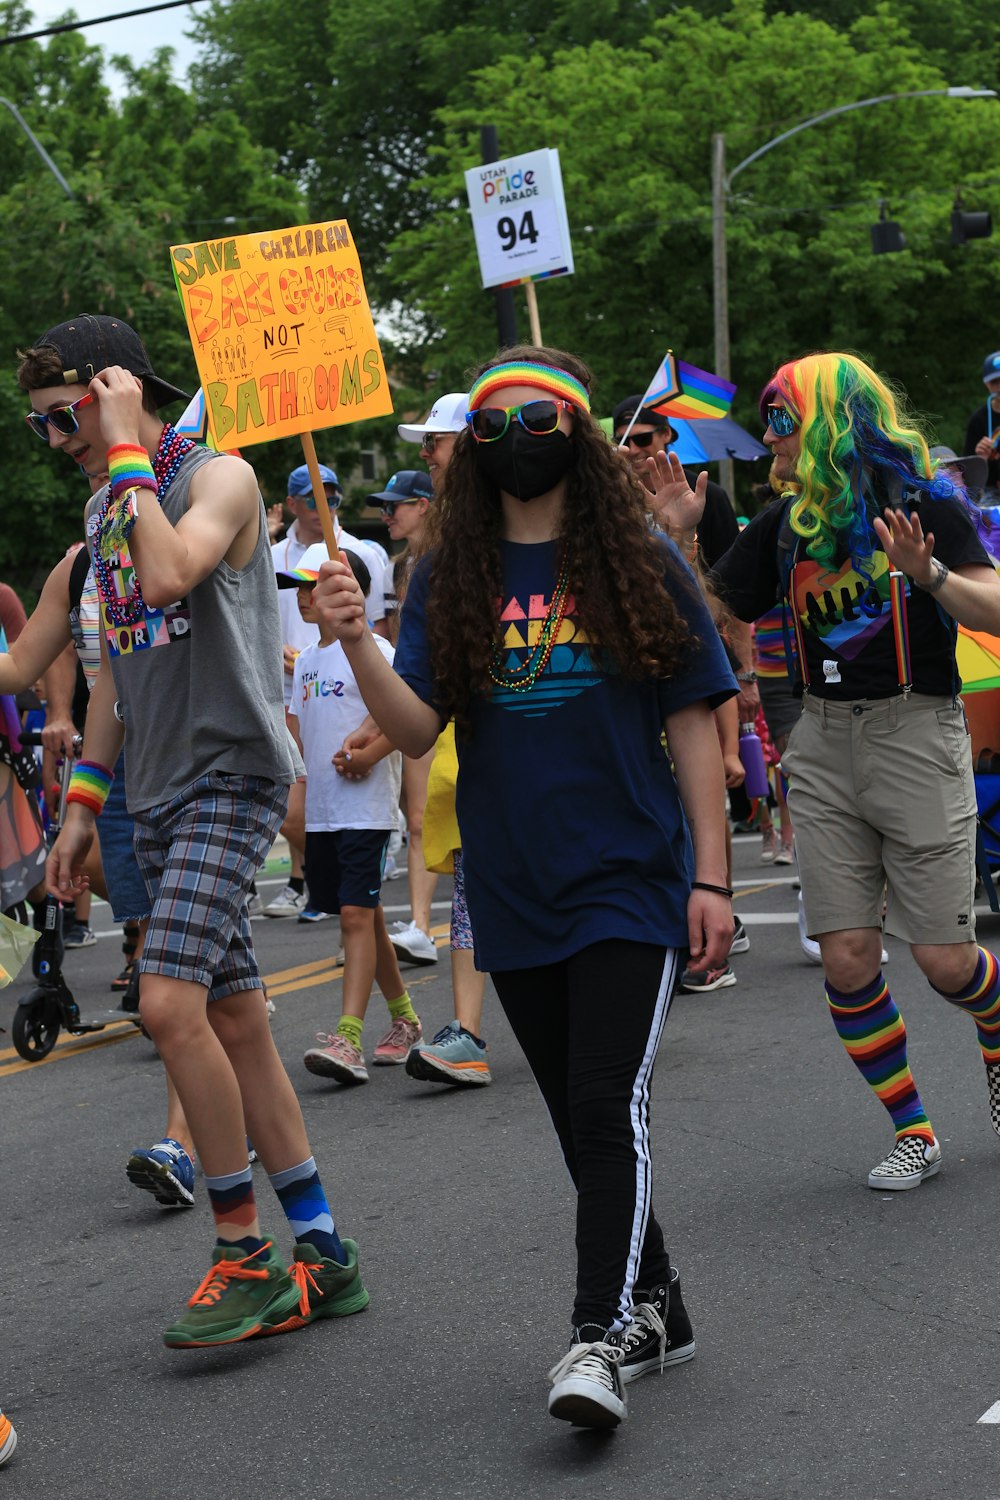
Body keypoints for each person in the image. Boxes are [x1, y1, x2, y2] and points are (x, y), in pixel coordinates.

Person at [312, 344, 736, 1430]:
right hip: (512, 887)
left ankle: (598, 1335)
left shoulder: (640, 557)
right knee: (578, 1119)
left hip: (627, 881)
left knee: (606, 1105)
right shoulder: (452, 573)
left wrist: (712, 878)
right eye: (491, 423)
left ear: (580, 433)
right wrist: (358, 641)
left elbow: (692, 717)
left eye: (538, 419)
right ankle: (663, 1305)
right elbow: (416, 725)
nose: (513, 441)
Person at [19, 311, 367, 1346]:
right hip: (157, 793)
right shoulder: (100, 519)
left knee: (168, 1008)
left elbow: (171, 574)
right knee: (239, 1021)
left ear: (117, 390)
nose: (55, 442)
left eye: (63, 418)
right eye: (39, 426)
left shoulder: (217, 481)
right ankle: (324, 1250)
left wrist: (128, 453)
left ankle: (241, 1255)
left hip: (232, 774)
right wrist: (85, 804)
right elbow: (102, 666)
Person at [683, 350, 1000, 1193]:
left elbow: (995, 605)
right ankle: (914, 1132)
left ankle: (998, 1024)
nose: (770, 437)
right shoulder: (785, 524)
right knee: (849, 958)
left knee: (943, 960)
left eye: (781, 417)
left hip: (916, 731)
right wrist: (685, 527)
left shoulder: (926, 501)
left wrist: (926, 575)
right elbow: (715, 606)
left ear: (826, 418)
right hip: (820, 745)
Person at [278, 543, 421, 1084]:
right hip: (323, 814)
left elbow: (401, 718)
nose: (303, 596)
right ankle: (405, 1019)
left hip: (366, 810)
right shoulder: (308, 661)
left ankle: (348, 1038)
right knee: (363, 914)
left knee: (358, 917)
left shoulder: (375, 651)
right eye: (299, 586)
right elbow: (297, 730)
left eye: (312, 584)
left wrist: (370, 753)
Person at [265, 461, 386, 921]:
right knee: (298, 806)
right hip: (293, 684)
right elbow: (261, 617)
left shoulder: (359, 552)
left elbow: (376, 625)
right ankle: (310, 881)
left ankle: (359, 870)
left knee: (355, 904)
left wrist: (357, 656)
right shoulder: (276, 556)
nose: (324, 505)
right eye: (313, 497)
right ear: (292, 503)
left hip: (350, 686)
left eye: (331, 496)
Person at [368, 469, 441, 967]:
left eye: (397, 505)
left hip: (459, 699)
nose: (386, 514)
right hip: (420, 698)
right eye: (384, 505)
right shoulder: (399, 567)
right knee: (418, 819)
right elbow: (396, 641)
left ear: (426, 506)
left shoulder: (455, 555)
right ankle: (419, 923)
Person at [963, 351, 1000, 501]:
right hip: (990, 491)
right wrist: (979, 457)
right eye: (995, 382)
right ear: (987, 384)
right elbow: (966, 474)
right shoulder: (978, 420)